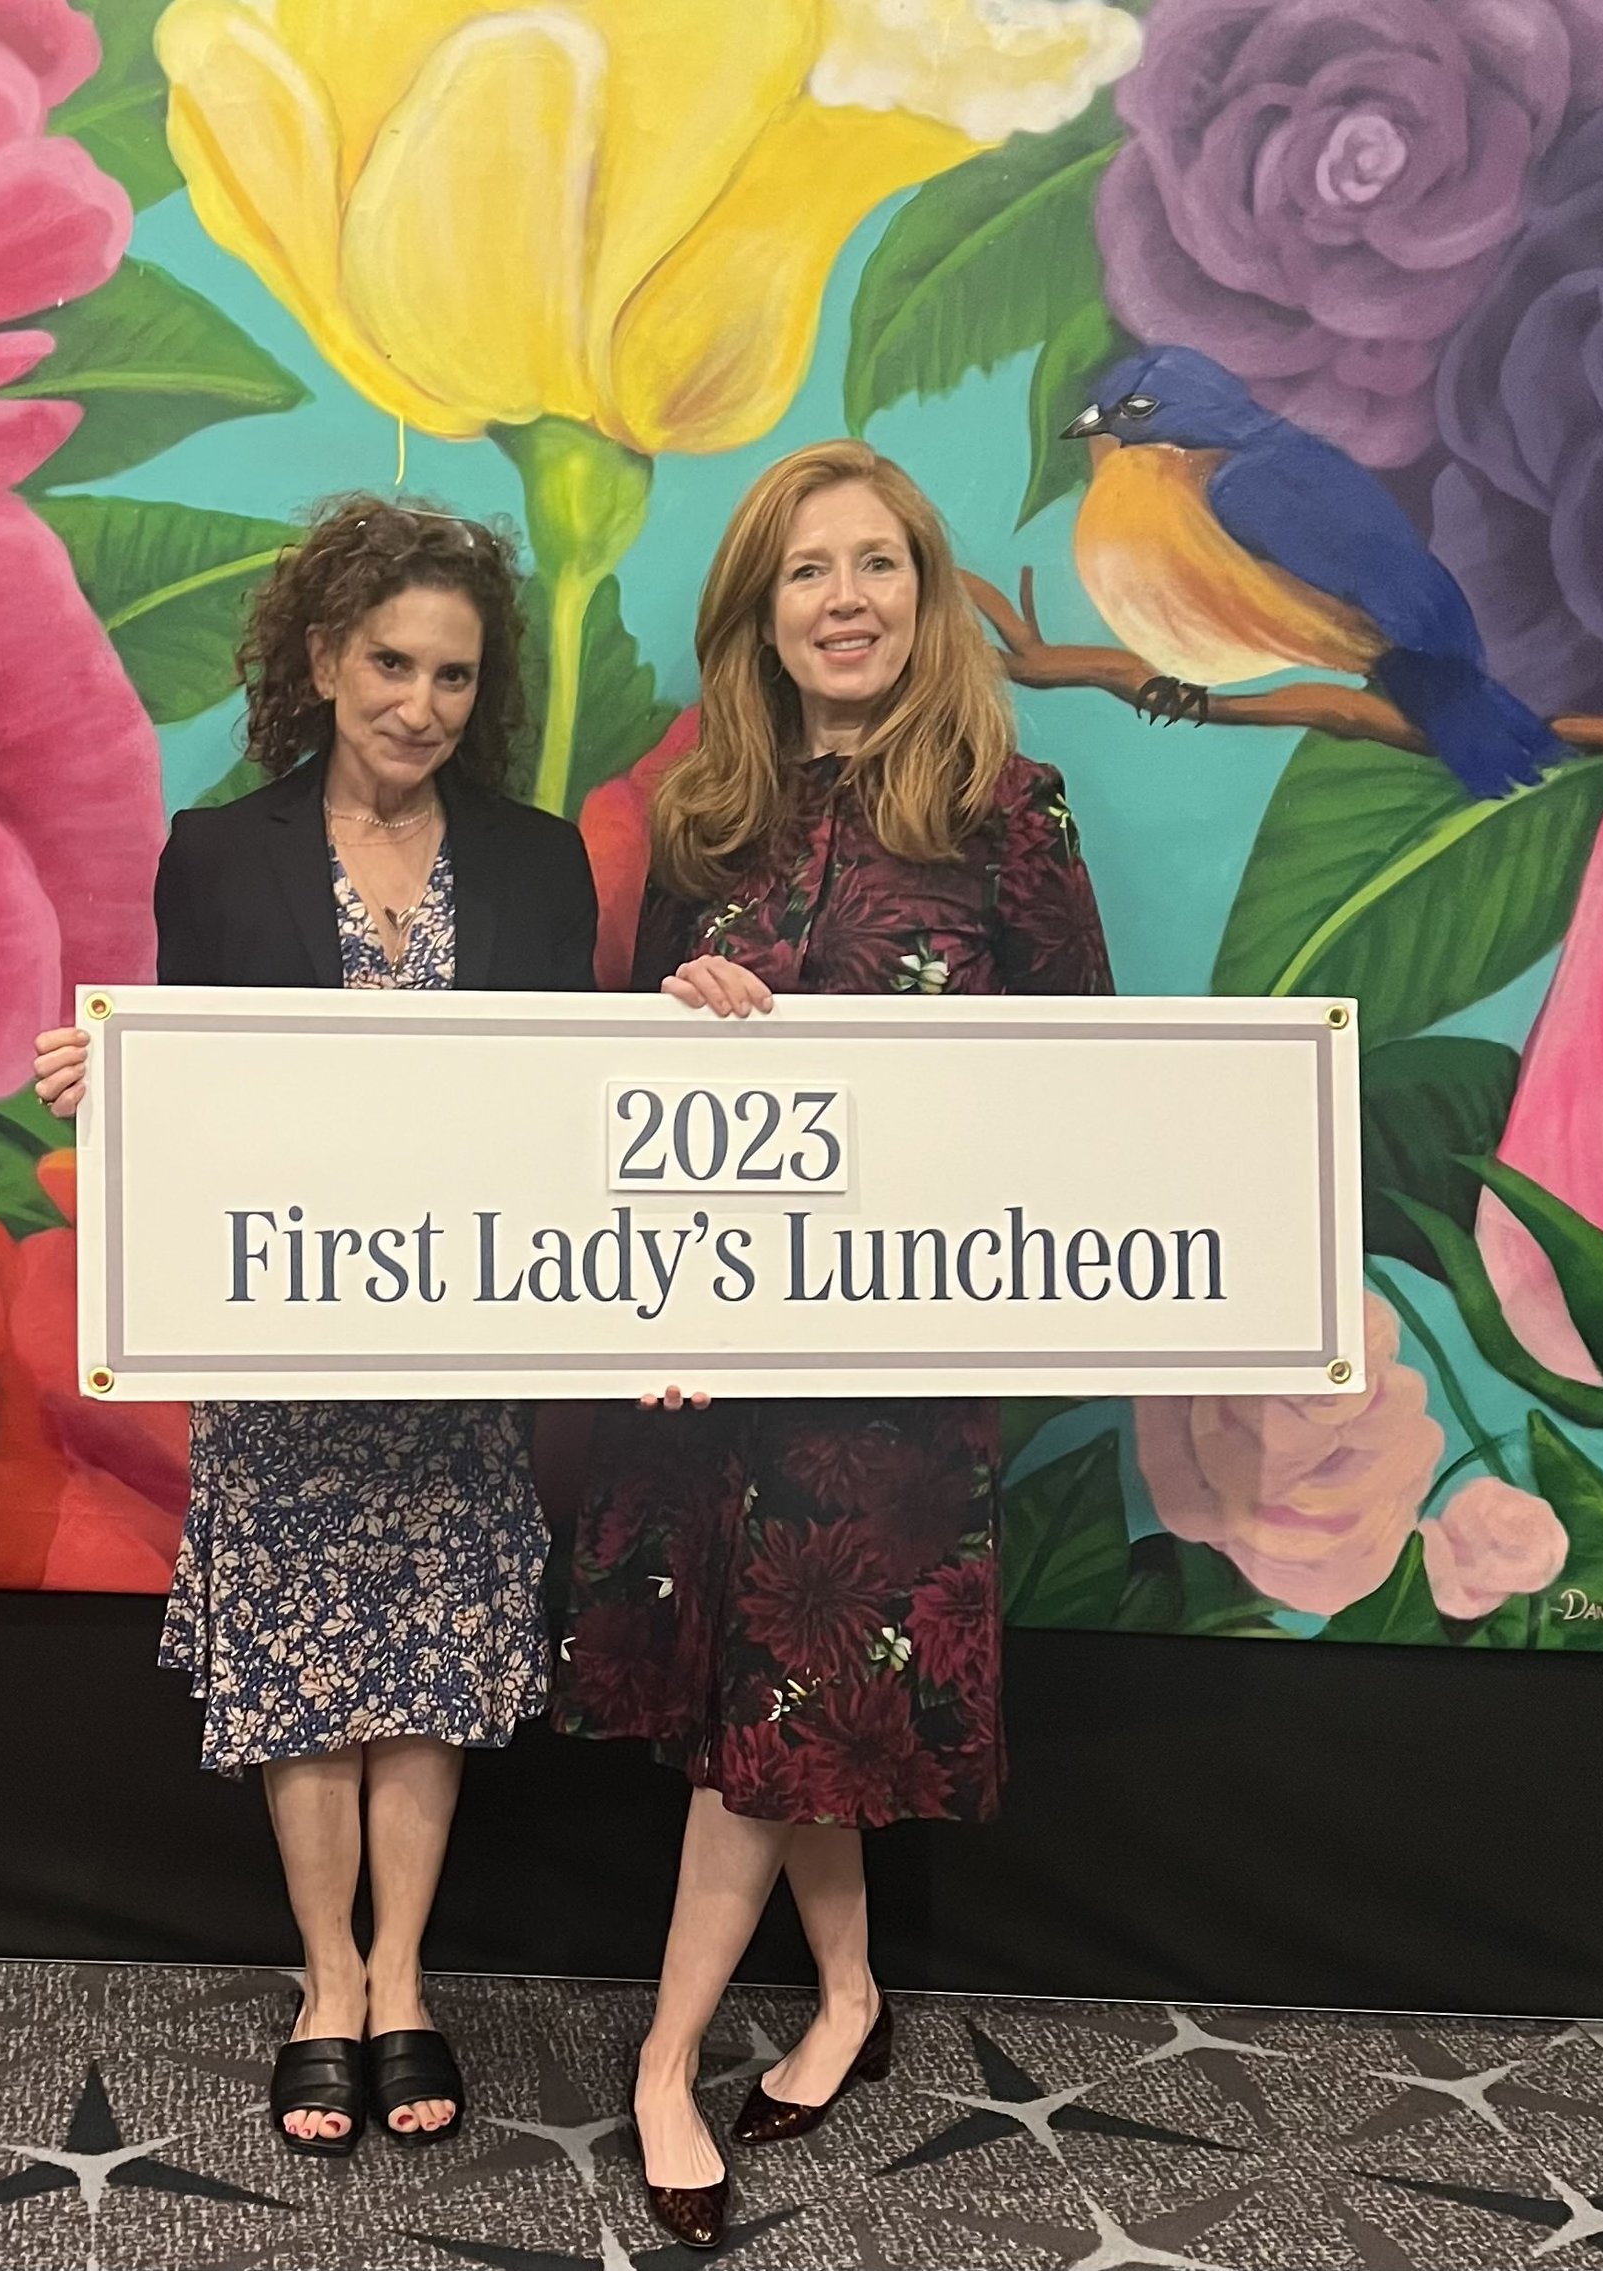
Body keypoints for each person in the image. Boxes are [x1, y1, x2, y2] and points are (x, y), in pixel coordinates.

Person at [552, 440, 1115, 2250]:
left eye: (877, 563)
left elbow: (1090, 1087)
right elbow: (630, 1094)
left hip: (893, 1377)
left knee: (779, 1711)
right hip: (711, 1359)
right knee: (785, 1704)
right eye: (808, 572)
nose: (846, 597)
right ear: (762, 614)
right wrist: (681, 1010)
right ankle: (856, 1997)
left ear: (924, 596)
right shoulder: (706, 815)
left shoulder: (1009, 815)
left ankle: (664, 2057)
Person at [33, 497, 597, 2160]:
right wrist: (112, 1076)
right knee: (303, 1680)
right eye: (389, 663)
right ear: (323, 661)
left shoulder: (539, 858)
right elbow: (199, 1099)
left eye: (450, 675)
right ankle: (327, 1985)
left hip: (458, 1350)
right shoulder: (217, 853)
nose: (419, 702)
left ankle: (408, 1976)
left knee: (423, 1669)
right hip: (286, 1346)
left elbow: (567, 1105)